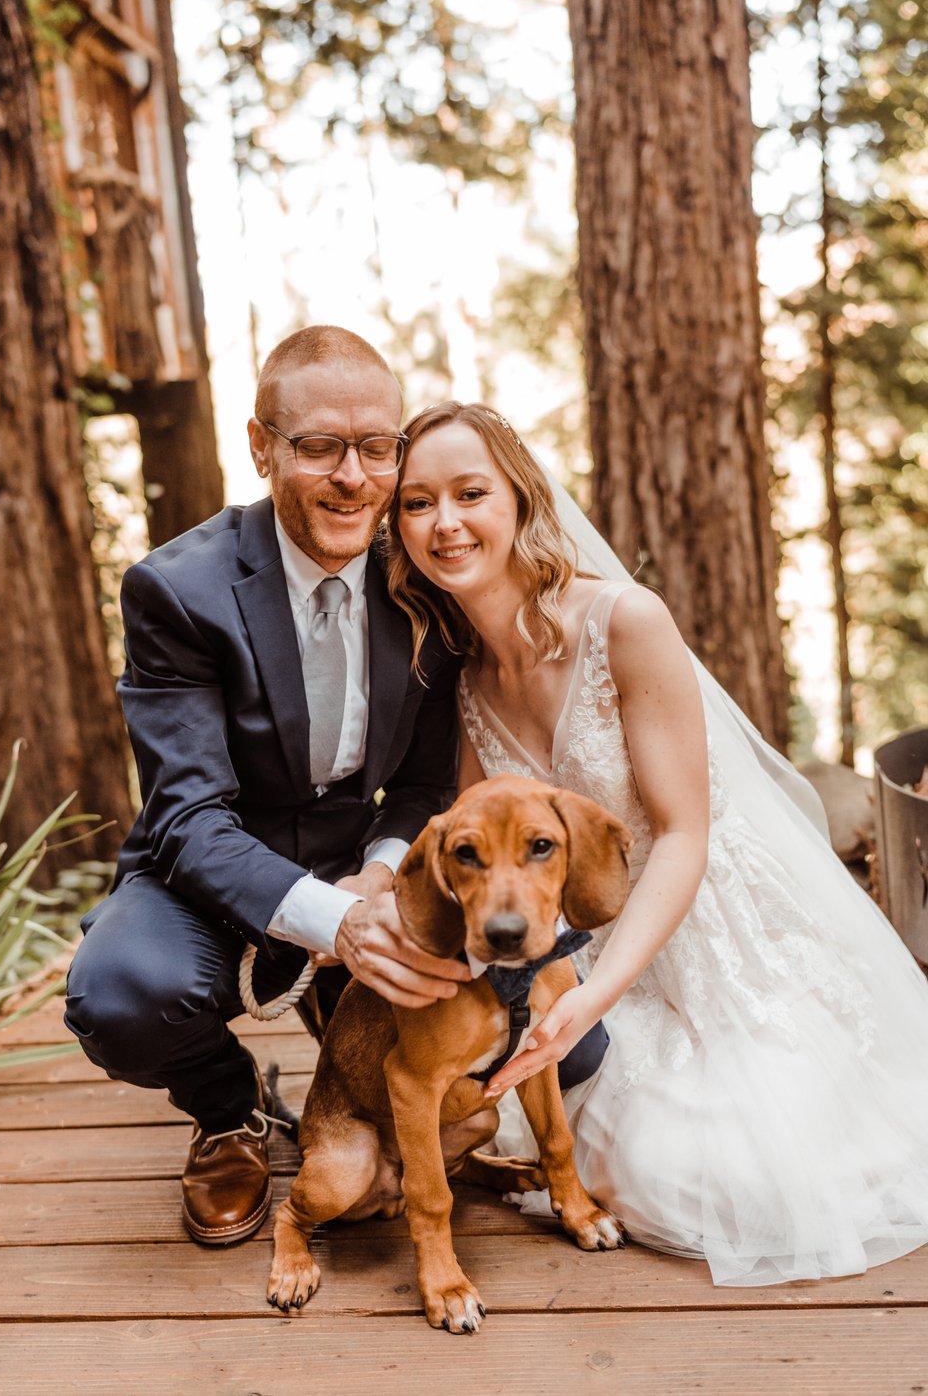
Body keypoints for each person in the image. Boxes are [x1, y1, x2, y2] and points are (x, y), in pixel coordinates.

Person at [387, 398, 928, 1287]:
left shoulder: (623, 621)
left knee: (740, 1181)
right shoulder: (465, 679)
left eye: (469, 493)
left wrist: (594, 996)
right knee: (618, 1147)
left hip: (709, 918)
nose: (444, 523)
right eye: (416, 503)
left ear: (520, 498)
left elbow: (683, 835)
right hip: (584, 939)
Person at [65, 328, 470, 1248]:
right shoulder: (177, 590)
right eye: (320, 445)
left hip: (359, 865)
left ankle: (353, 1061)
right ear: (262, 448)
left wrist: (378, 878)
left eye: (378, 446)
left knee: (567, 1054)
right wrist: (338, 926)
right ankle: (228, 1108)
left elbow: (423, 783)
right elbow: (189, 818)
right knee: (122, 997)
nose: (354, 478)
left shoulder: (425, 580)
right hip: (203, 871)